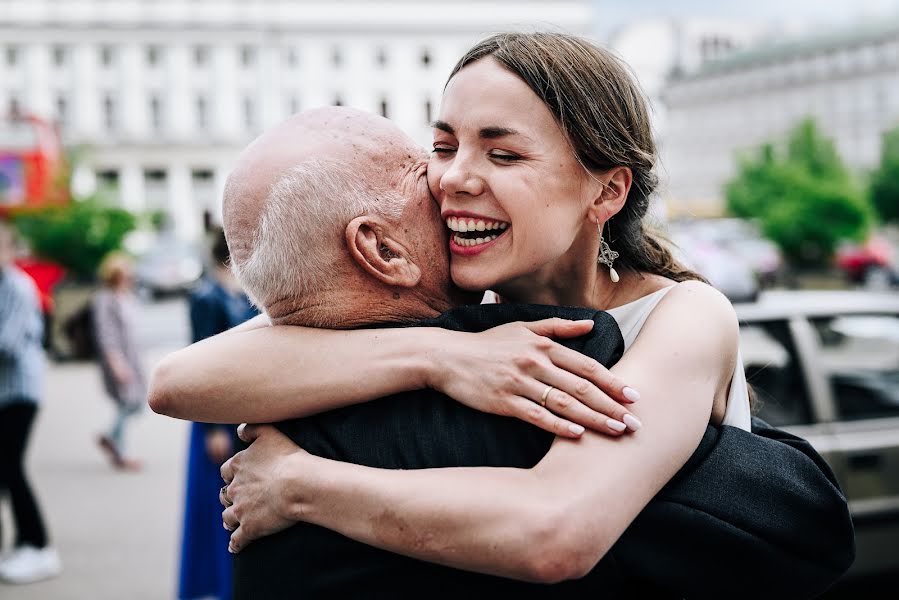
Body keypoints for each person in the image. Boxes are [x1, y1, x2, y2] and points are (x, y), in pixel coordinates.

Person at [151, 36, 853, 596]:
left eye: (503, 152)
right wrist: (441, 357)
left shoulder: (682, 312)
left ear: (605, 189)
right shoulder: (457, 304)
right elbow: (180, 381)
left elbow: (556, 530)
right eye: (444, 145)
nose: (453, 177)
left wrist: (303, 487)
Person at [178, 230, 258, 600]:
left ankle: (229, 584)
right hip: (214, 415)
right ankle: (213, 586)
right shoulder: (206, 296)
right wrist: (211, 426)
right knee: (216, 501)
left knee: (235, 498)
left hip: (236, 408)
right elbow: (201, 360)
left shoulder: (239, 291)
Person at [0, 222, 61, 584]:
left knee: (11, 467)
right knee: (5, 470)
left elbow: (6, 344)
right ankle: (26, 542)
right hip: (5, 392)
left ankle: (39, 546)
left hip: (21, 390)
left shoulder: (18, 287)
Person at [93, 252, 146, 471]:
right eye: (123, 274)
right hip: (118, 358)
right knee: (127, 402)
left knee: (135, 403)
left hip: (132, 357)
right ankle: (120, 451)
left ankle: (110, 436)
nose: (128, 277)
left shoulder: (128, 296)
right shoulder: (105, 299)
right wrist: (116, 362)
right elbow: (106, 334)